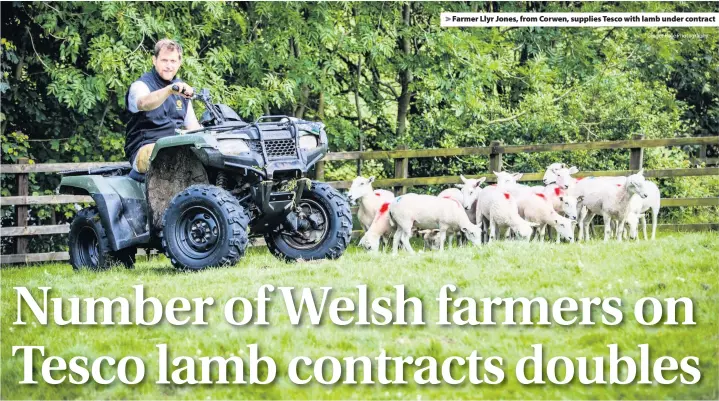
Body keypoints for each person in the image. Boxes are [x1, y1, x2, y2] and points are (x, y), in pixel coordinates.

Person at [125, 39, 202, 174]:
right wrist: (169, 90)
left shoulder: (181, 89)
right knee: (170, 157)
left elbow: (193, 128)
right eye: (164, 60)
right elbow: (144, 103)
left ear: (179, 63)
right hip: (145, 148)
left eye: (173, 61)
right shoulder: (140, 86)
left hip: (175, 147)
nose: (168, 65)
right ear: (154, 60)